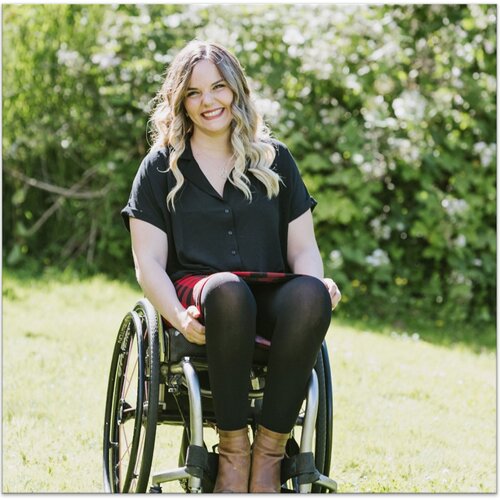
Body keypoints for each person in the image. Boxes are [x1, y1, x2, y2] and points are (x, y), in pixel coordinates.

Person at [121, 40, 341, 493]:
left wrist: (317, 283)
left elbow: (303, 249)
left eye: (218, 87)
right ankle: (234, 452)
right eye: (195, 92)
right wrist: (176, 316)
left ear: (236, 90)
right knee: (227, 289)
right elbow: (148, 266)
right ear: (180, 101)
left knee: (310, 293)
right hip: (203, 297)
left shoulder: (274, 160)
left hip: (268, 292)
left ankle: (270, 454)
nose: (209, 102)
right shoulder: (161, 167)